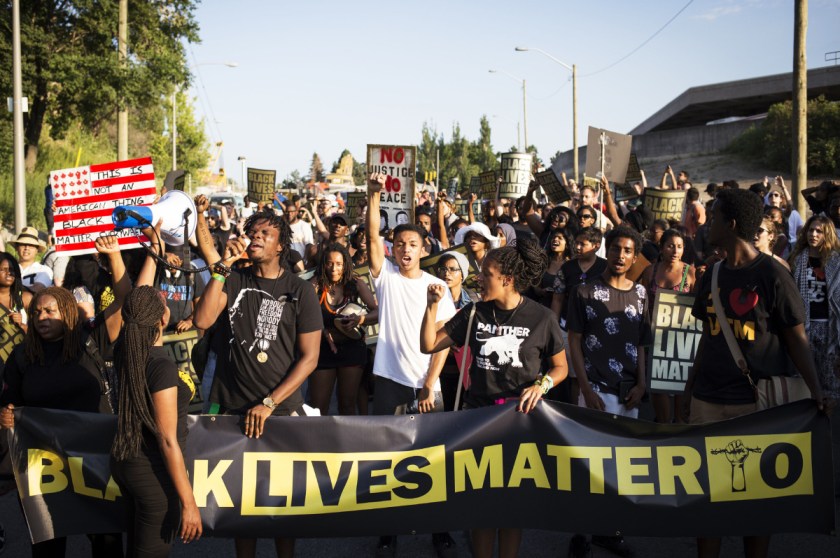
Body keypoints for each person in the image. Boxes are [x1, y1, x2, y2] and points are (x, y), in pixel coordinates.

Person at [683, 188, 823, 558]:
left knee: (755, 502)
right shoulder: (711, 274)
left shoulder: (773, 275)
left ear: (730, 225)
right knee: (706, 499)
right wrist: (690, 387)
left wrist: (817, 391)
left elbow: (796, 338)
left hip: (755, 405)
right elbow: (708, 335)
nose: (706, 223)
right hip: (708, 402)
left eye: (713, 217)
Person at [420, 239, 567, 558]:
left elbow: (560, 368)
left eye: (485, 274)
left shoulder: (541, 318)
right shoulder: (473, 313)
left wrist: (540, 385)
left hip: (520, 424)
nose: (477, 279)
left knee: (512, 510)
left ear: (507, 279)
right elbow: (429, 344)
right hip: (479, 421)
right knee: (482, 507)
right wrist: (432, 306)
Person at [192, 198, 322, 558]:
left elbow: (310, 358)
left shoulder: (299, 290)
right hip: (232, 409)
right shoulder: (233, 278)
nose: (255, 237)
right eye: (252, 232)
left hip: (279, 415)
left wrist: (269, 403)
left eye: (266, 233)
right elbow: (202, 321)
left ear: (281, 246)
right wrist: (221, 267)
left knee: (281, 505)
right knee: (241, 505)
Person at [0, 235, 129, 558]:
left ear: (68, 312)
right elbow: (11, 403)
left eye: (50, 311)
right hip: (45, 464)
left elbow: (125, 301)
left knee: (105, 540)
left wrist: (114, 257)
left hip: (93, 458)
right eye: (38, 312)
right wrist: (6, 414)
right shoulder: (21, 355)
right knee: (47, 541)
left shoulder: (91, 339)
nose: (42, 317)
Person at [365, 173, 458, 558]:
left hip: (425, 386)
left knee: (432, 457)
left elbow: (443, 342)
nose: (405, 249)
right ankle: (389, 531)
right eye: (399, 244)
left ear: (424, 249)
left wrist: (429, 383)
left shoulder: (437, 286)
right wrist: (373, 196)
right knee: (388, 458)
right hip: (389, 380)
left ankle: (439, 530)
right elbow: (371, 237)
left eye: (413, 244)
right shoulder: (385, 277)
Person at [566, 226, 652, 558]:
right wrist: (585, 389)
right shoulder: (584, 291)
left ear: (634, 256)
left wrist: (643, 384)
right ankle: (580, 533)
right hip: (595, 391)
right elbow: (574, 340)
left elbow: (642, 343)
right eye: (616, 248)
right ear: (607, 249)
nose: (621, 256)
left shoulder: (641, 294)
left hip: (628, 391)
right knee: (588, 466)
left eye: (628, 251)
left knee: (620, 467)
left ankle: (609, 532)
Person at [110, 286, 202, 556]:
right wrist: (189, 504)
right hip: (153, 474)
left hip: (125, 463)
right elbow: (166, 439)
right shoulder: (160, 365)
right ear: (164, 317)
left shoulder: (125, 353)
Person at [309, 243, 378, 416]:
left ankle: (347, 443)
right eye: (330, 263)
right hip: (323, 350)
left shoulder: (356, 283)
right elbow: (301, 315)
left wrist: (360, 319)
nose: (334, 268)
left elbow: (378, 311)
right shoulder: (315, 284)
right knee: (318, 408)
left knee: (347, 405)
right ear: (323, 264)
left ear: (345, 265)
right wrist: (323, 331)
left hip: (352, 349)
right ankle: (319, 443)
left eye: (339, 264)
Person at [638, 228, 695, 424]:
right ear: (662, 248)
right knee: (658, 387)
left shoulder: (691, 272)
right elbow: (642, 303)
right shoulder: (650, 271)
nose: (675, 251)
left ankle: (679, 429)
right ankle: (663, 428)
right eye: (670, 246)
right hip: (655, 338)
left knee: (681, 388)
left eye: (679, 247)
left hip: (681, 339)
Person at [550, 227, 607, 405]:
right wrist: (553, 327)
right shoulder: (566, 268)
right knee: (575, 375)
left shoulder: (606, 267)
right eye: (577, 243)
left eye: (583, 244)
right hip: (568, 327)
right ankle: (575, 411)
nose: (578, 247)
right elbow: (557, 299)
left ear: (596, 246)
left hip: (597, 329)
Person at [788, 215, 840, 407]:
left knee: (831, 381)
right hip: (804, 327)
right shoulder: (796, 259)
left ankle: (830, 424)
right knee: (804, 379)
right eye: (811, 230)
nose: (813, 234)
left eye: (819, 231)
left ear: (827, 234)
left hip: (830, 327)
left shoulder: (836, 261)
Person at [433, 250, 477, 411]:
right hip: (438, 371)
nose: (447, 273)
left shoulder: (474, 301)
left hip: (466, 370)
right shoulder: (431, 300)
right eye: (443, 269)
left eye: (453, 269)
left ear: (462, 275)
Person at [0, 253, 32, 335]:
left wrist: (21, 326)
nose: (9, 273)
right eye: (3, 269)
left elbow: (39, 332)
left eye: (12, 270)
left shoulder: (26, 298)